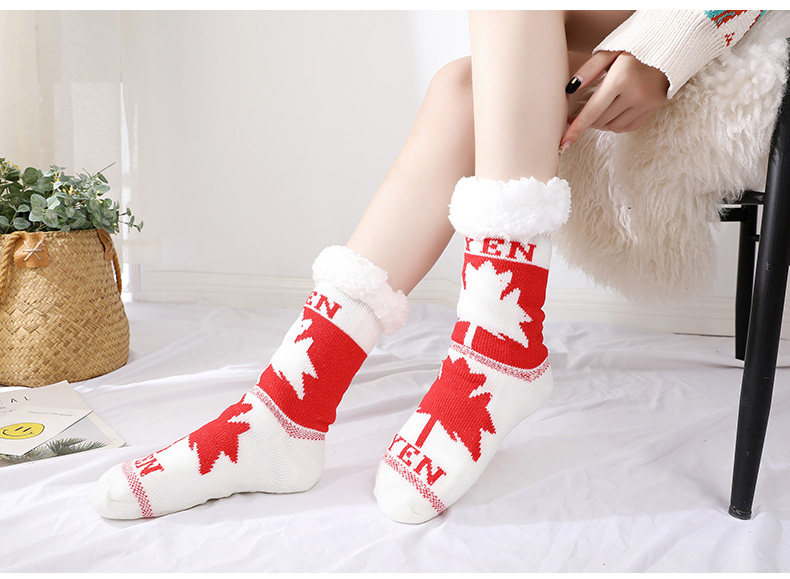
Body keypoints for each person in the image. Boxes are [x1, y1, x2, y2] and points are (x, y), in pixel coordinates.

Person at [92, 10, 768, 523]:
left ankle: (486, 349)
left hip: (744, 35)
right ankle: (293, 402)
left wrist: (672, 45)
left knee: (479, 68)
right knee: (464, 83)